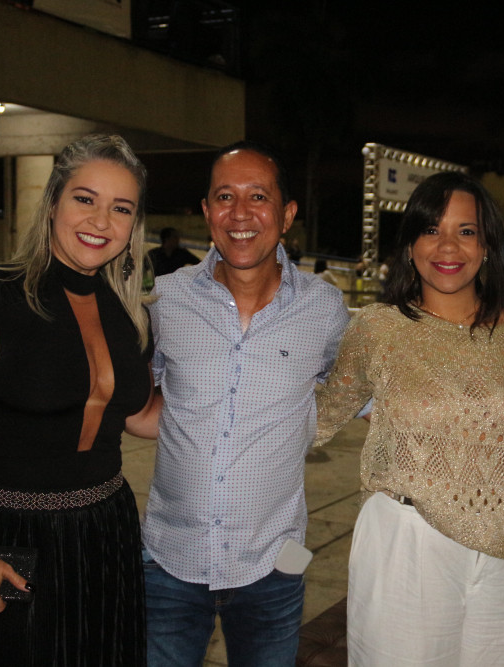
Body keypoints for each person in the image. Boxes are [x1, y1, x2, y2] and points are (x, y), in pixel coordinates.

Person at [0, 134, 161, 665]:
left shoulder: (129, 315)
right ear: (52, 203)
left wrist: (248, 398)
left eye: (121, 208)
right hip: (9, 533)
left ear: (133, 225)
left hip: (108, 530)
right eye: (84, 199)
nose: (100, 221)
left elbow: (139, 415)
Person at [315, 171, 504, 665]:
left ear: (487, 246)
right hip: (407, 543)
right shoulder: (378, 329)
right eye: (431, 229)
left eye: (466, 231)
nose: (448, 246)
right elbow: (319, 416)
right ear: (410, 246)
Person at [141, 141, 349, 666]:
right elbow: (135, 399)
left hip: (273, 567)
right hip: (168, 562)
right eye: (225, 197)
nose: (240, 213)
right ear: (206, 210)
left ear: (287, 214)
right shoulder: (165, 300)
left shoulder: (324, 309)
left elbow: (363, 394)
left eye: (258, 196)